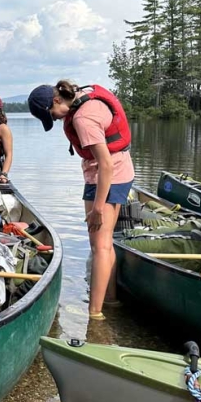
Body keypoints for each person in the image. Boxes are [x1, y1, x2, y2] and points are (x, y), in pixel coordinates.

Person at [28, 80, 135, 321]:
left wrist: (98, 207)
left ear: (56, 100)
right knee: (104, 243)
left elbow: (105, 163)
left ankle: (94, 315)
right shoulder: (81, 96)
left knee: (100, 246)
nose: (55, 120)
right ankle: (110, 299)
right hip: (116, 171)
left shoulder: (82, 119)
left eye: (52, 115)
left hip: (109, 175)